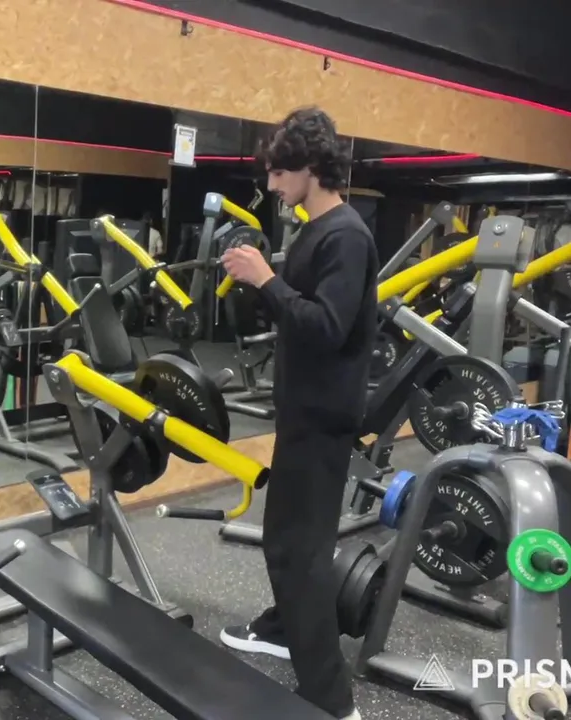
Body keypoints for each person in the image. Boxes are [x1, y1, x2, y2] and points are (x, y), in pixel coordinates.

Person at [217, 107, 376, 720]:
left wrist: (266, 279)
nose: (272, 185)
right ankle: (285, 629)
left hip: (323, 416)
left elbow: (328, 327)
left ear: (310, 168)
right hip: (303, 410)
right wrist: (258, 283)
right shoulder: (315, 230)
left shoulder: (345, 236)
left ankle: (332, 701)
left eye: (280, 174)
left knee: (299, 551)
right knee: (288, 539)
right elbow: (297, 312)